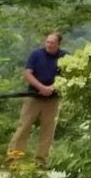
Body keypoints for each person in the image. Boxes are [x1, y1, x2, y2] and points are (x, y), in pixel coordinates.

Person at [9, 31, 64, 162]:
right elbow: (27, 74)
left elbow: (67, 75)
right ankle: (13, 159)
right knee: (24, 127)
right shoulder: (36, 54)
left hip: (52, 99)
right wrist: (41, 88)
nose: (49, 45)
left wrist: (52, 88)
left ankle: (41, 161)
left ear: (59, 44)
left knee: (48, 131)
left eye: (52, 43)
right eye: (48, 42)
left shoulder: (64, 56)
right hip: (33, 97)